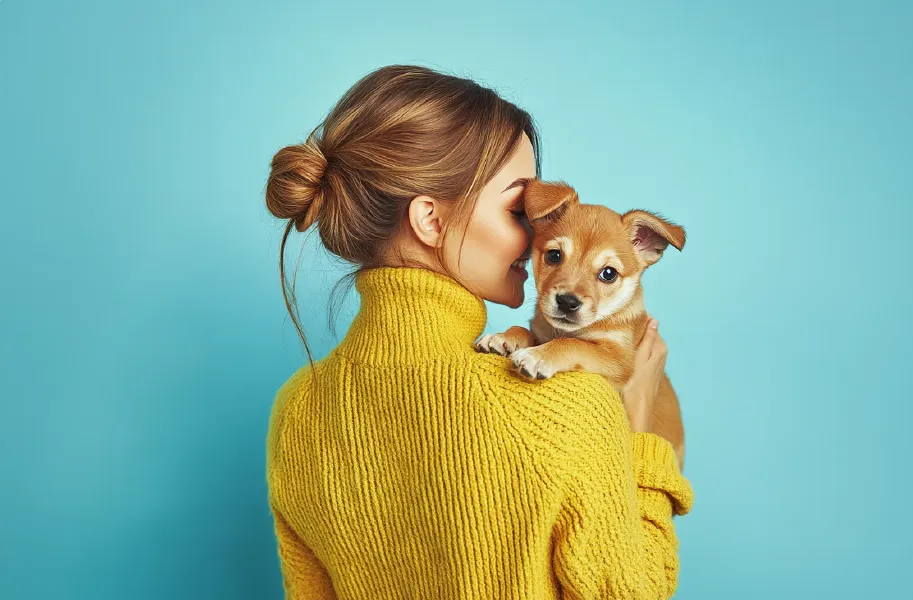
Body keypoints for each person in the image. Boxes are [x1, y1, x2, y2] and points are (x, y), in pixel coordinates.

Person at [264, 64, 694, 599]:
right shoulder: (568, 409)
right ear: (431, 221)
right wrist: (641, 435)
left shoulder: (296, 411)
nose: (537, 229)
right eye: (520, 208)